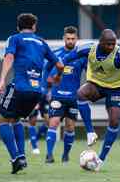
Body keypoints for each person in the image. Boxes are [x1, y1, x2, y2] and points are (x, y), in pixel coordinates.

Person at [57, 29, 120, 171]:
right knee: (80, 93)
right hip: (96, 85)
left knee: (115, 120)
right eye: (108, 44)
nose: (111, 47)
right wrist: (59, 65)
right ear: (101, 42)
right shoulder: (88, 49)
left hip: (116, 88)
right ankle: (90, 132)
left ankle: (101, 159)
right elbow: (66, 58)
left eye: (113, 44)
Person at [0, 13, 63, 174]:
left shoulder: (15, 38)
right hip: (36, 92)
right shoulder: (42, 42)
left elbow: (9, 56)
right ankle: (22, 157)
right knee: (16, 119)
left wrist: (2, 80)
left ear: (18, 27)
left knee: (1, 121)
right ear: (34, 27)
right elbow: (60, 65)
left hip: (19, 88)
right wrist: (57, 77)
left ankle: (15, 158)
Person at [43, 26, 90, 163]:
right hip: (57, 96)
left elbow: (90, 75)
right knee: (54, 123)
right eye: (68, 38)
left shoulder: (82, 56)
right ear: (64, 38)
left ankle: (65, 156)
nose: (70, 41)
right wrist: (46, 84)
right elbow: (46, 71)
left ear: (77, 39)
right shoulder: (56, 54)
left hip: (73, 97)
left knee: (70, 127)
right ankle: (49, 155)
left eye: (72, 39)